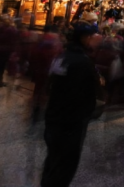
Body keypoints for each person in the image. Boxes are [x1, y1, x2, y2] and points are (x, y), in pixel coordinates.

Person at [41, 23, 100, 187]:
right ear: (84, 38)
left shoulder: (61, 57)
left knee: (53, 159)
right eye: (91, 37)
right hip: (71, 122)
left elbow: (50, 85)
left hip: (53, 117)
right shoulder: (82, 62)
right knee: (66, 164)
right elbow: (87, 93)